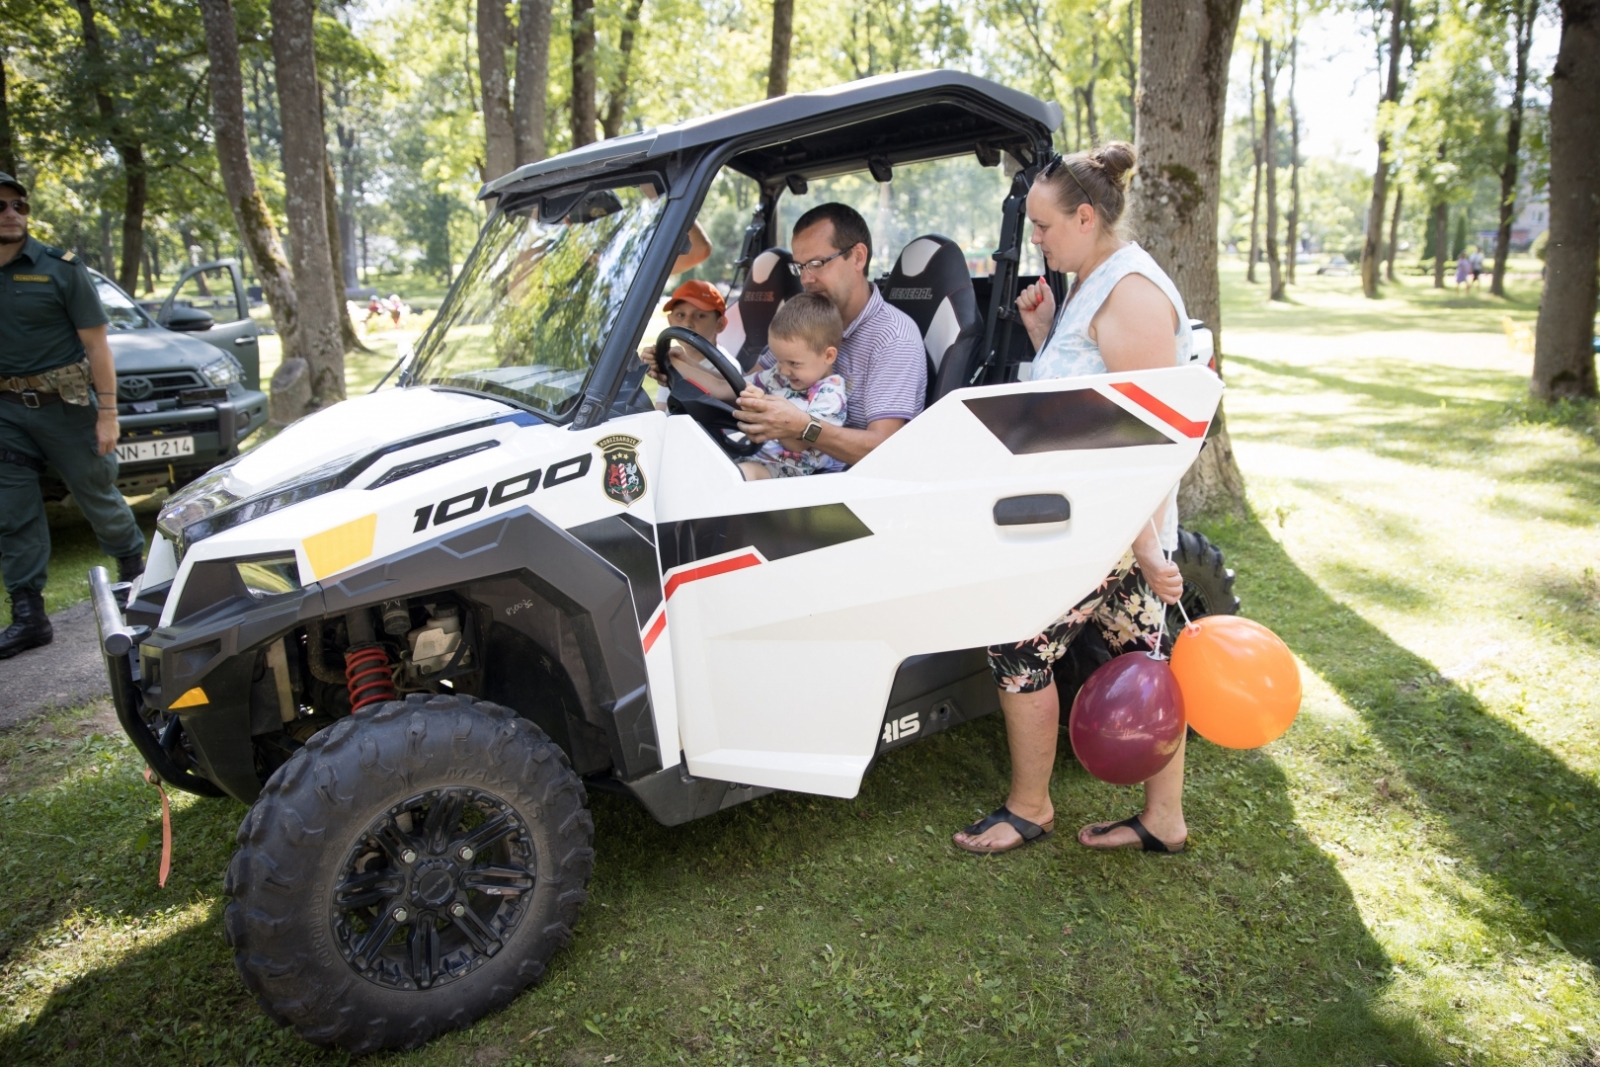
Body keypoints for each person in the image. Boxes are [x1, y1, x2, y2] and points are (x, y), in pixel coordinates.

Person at [950, 143, 1192, 856]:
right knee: (1143, 652)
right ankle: (1164, 818)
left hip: (1113, 524)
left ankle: (1030, 806)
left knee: (1019, 641)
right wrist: (1043, 333)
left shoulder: (1133, 294)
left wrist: (1147, 548)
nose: (1039, 241)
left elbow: (1144, 439)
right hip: (1105, 519)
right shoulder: (1094, 280)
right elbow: (1088, 395)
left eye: (1046, 227)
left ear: (1086, 217)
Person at [0, 172, 145, 659]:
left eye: (18, 204)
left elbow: (97, 346)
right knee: (12, 513)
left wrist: (108, 413)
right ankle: (29, 616)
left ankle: (139, 584)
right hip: (6, 414)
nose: (12, 213)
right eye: (1, 206)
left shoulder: (60, 268)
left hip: (67, 409)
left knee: (97, 494)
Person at [737, 293, 847, 480]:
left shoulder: (829, 394)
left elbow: (800, 445)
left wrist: (761, 405)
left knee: (742, 474)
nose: (784, 371)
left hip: (793, 472)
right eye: (779, 360)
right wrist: (684, 366)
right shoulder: (779, 375)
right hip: (758, 456)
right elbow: (737, 386)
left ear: (828, 356)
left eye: (794, 364)